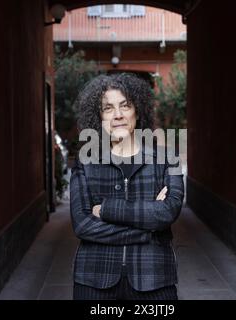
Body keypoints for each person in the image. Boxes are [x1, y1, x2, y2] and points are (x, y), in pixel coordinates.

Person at [70, 73, 184, 300]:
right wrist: (149, 230)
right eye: (108, 108)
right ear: (99, 117)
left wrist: (105, 210)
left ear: (138, 110)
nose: (118, 115)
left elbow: (168, 212)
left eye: (125, 105)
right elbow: (83, 225)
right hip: (94, 279)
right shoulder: (86, 161)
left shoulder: (166, 159)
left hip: (154, 278)